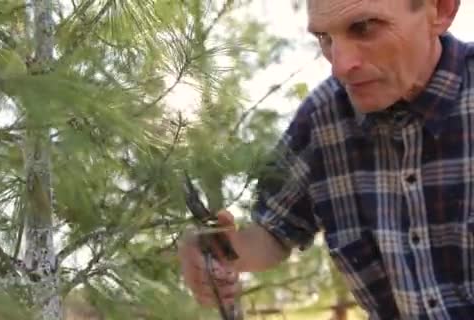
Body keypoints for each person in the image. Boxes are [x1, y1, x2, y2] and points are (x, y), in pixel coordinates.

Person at [178, 0, 474, 319]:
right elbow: (272, 233)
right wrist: (219, 251)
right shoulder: (323, 119)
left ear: (441, 10)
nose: (340, 66)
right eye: (325, 38)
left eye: (364, 28)